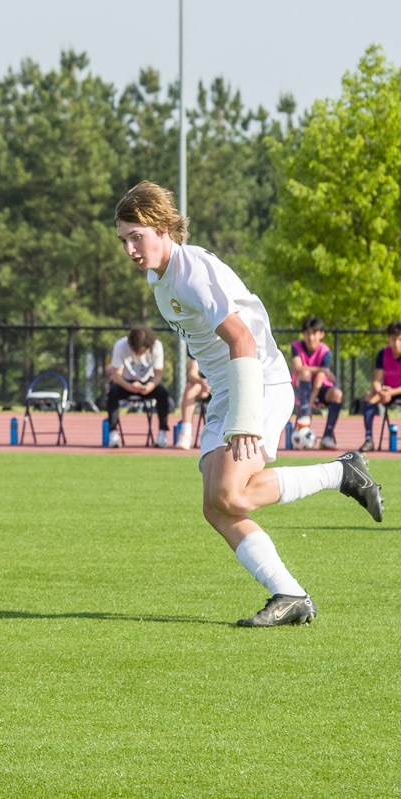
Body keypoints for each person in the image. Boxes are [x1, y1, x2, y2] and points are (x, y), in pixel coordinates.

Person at [114, 181, 384, 627]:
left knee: (232, 494)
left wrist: (243, 421)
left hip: (259, 382)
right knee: (215, 506)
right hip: (227, 388)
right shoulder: (157, 277)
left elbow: (241, 338)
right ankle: (290, 593)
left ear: (163, 229)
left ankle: (341, 472)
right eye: (123, 240)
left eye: (136, 236)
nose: (129, 249)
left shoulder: (192, 272)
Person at [105, 324, 172, 448]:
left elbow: (158, 376)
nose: (141, 352)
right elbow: (116, 376)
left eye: (144, 349)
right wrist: (129, 386)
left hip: (147, 383)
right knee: (112, 391)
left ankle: (162, 433)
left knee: (162, 392)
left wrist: (150, 386)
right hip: (125, 383)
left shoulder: (156, 346)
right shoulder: (121, 346)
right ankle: (113, 433)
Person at [289, 316, 343, 450]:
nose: (310, 337)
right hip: (300, 387)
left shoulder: (326, 352)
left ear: (321, 334)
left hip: (319, 388)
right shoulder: (296, 346)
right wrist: (322, 369)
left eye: (314, 333)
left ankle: (327, 437)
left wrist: (311, 403)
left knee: (337, 394)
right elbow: (298, 368)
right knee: (305, 373)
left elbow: (319, 380)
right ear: (303, 334)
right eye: (307, 333)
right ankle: (305, 415)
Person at [359, 320, 401, 452]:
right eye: (393, 339)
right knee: (368, 400)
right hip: (385, 392)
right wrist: (381, 392)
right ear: (389, 338)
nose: (396, 343)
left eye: (400, 339)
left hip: (395, 391)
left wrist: (391, 392)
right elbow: (376, 380)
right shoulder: (382, 354)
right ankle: (369, 439)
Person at [177, 357, 211, 449]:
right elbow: (192, 374)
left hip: (224, 385)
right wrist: (203, 382)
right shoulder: (199, 343)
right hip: (205, 387)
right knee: (190, 388)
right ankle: (186, 433)